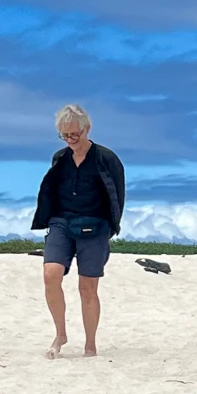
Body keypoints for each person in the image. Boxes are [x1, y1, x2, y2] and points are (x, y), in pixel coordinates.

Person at [31, 104, 125, 359]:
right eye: (65, 135)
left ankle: (90, 344)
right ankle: (60, 333)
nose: (71, 140)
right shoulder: (60, 158)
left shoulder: (106, 158)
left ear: (87, 129)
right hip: (61, 222)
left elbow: (117, 196)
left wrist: (109, 228)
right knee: (51, 274)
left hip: (95, 226)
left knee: (88, 288)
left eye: (75, 134)